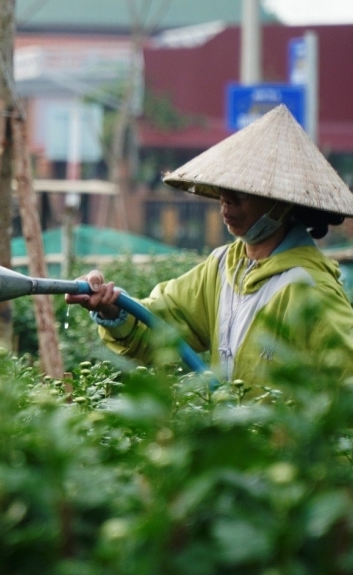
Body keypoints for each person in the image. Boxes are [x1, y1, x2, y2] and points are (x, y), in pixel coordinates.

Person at [66, 105, 353, 385]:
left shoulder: (310, 287)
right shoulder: (224, 267)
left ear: (282, 202)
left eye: (243, 193)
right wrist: (110, 308)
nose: (226, 201)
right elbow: (157, 327)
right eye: (224, 189)